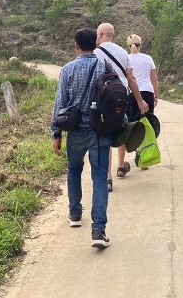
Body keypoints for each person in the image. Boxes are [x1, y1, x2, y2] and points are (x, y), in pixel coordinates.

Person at [51, 28, 112, 249]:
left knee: (74, 169)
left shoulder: (67, 69)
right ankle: (98, 230)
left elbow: (59, 104)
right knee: (99, 177)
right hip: (99, 130)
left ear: (76, 46)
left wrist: (56, 133)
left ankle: (75, 214)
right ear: (95, 44)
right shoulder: (105, 67)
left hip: (75, 131)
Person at [95, 23, 149, 188]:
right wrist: (140, 100)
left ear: (100, 33)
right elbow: (131, 79)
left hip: (102, 100)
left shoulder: (95, 53)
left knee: (104, 136)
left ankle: (108, 178)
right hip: (121, 98)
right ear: (113, 34)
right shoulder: (122, 53)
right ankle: (120, 165)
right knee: (120, 130)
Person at [126, 33, 159, 167]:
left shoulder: (126, 59)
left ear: (128, 46)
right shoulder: (148, 58)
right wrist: (156, 95)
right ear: (141, 45)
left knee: (133, 124)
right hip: (147, 92)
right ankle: (145, 152)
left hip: (132, 94)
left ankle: (137, 149)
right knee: (147, 123)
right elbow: (154, 79)